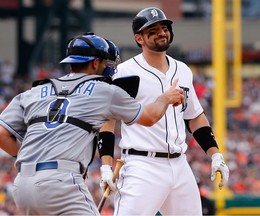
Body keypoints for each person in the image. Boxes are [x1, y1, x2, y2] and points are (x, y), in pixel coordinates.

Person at [0, 32, 184, 215]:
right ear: (96, 63)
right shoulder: (104, 90)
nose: (109, 68)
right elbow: (150, 117)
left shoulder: (34, 91)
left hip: (23, 184)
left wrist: (36, 156)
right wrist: (165, 98)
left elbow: (2, 134)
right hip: (60, 184)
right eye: (106, 63)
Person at [99, 7, 229, 215]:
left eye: (164, 27)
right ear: (139, 38)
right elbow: (107, 121)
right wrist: (106, 165)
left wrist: (215, 155)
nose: (161, 33)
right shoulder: (124, 72)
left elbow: (194, 117)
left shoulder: (183, 70)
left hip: (179, 165)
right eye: (153, 30)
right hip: (142, 165)